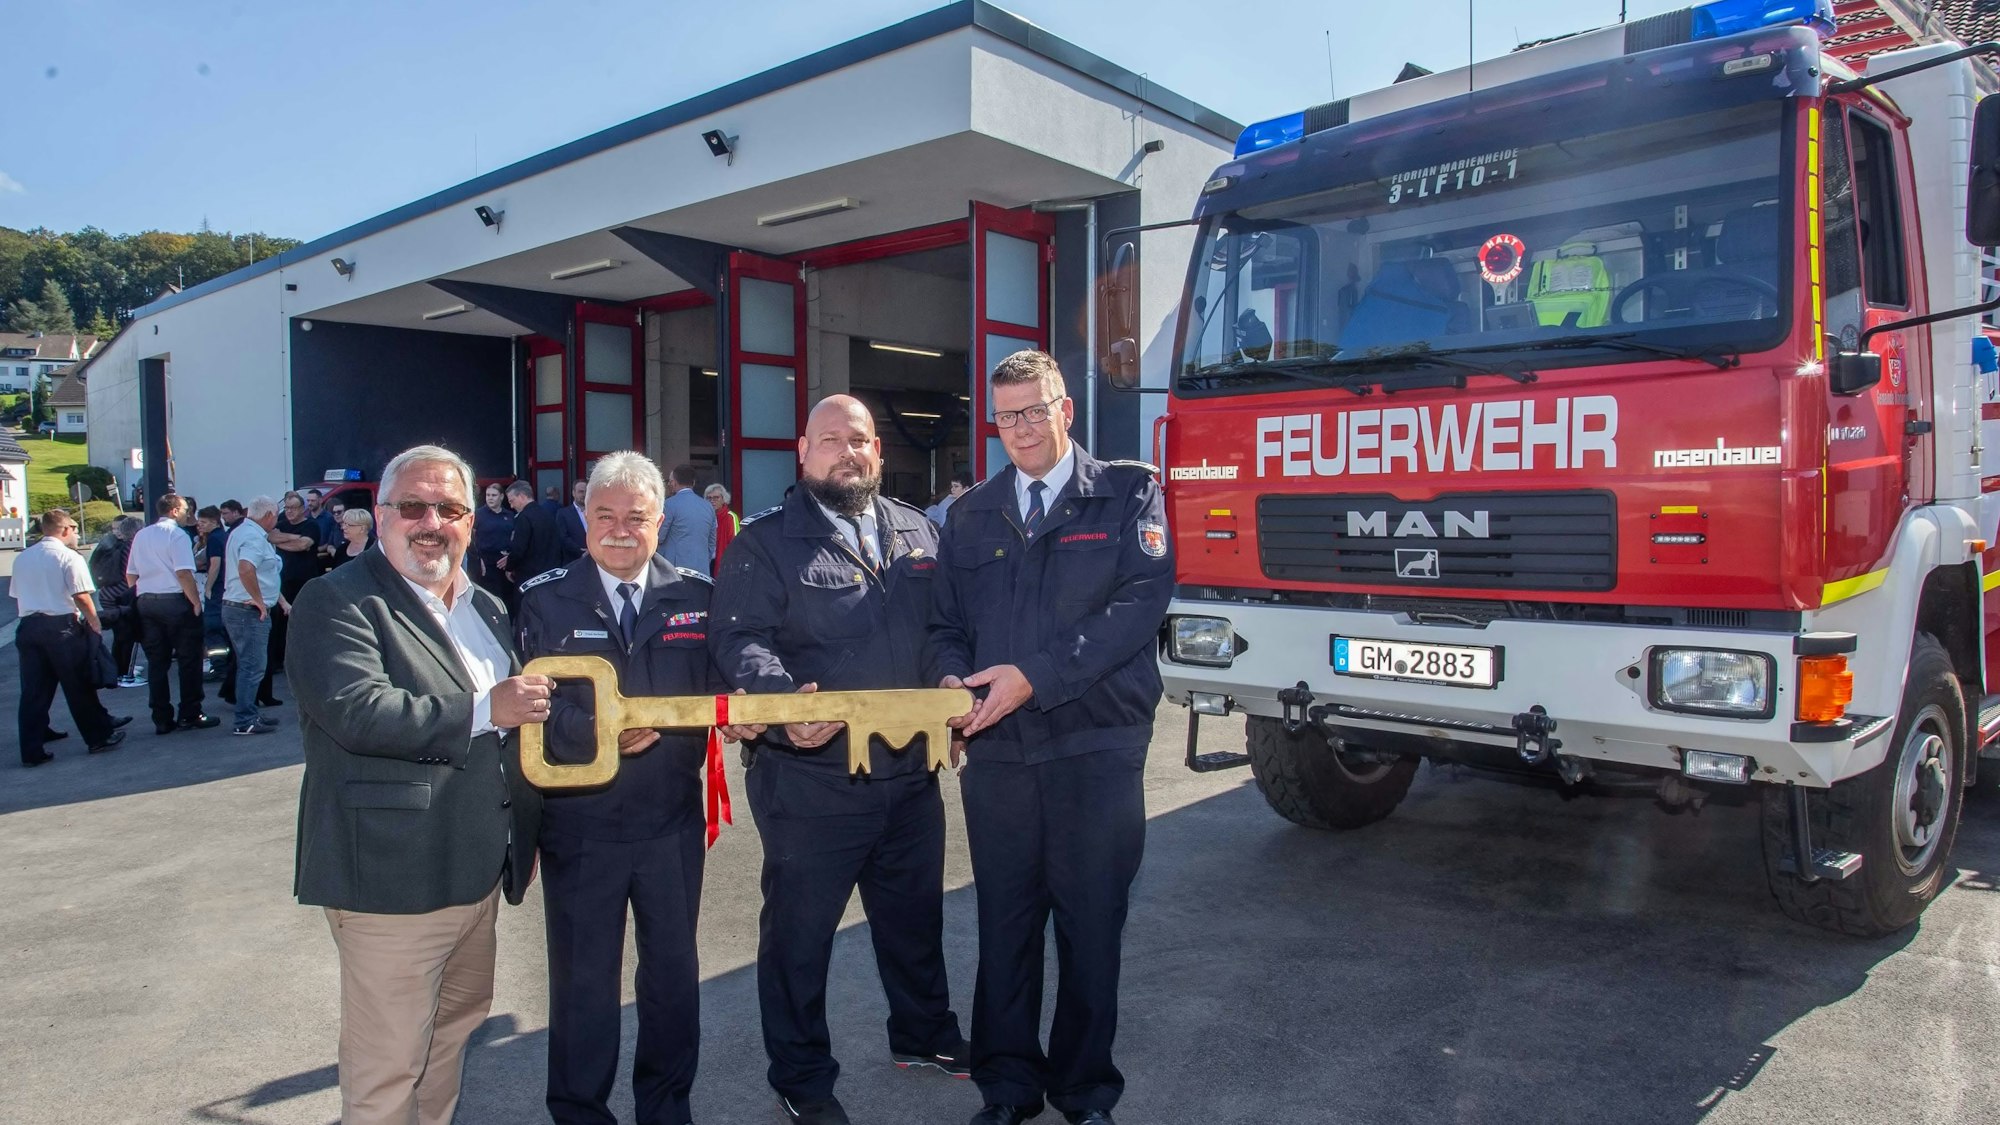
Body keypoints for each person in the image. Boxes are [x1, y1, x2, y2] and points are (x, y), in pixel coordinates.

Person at [928, 351, 1173, 1125]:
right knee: (1005, 923)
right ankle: (1007, 1087)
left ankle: (1085, 1091)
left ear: (1066, 409)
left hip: (1095, 743)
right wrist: (946, 677)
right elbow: (944, 624)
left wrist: (1034, 676)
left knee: (1090, 925)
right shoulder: (971, 512)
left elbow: (1137, 606)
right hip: (999, 749)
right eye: (1007, 416)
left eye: (1036, 410)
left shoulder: (1127, 493)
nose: (1022, 428)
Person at [711, 395, 969, 1125]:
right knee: (801, 937)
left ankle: (923, 1033)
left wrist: (951, 684)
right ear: (803, 452)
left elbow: (945, 628)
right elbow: (739, 639)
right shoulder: (765, 543)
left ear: (877, 451)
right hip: (810, 779)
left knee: (914, 920)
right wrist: (783, 702)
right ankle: (801, 1075)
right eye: (830, 440)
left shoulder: (919, 531)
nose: (846, 452)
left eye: (858, 440)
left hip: (909, 771)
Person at [287, 444, 550, 1125]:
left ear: (470, 522)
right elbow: (357, 710)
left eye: (450, 509)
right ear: (380, 516)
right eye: (413, 506)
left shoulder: (486, 607)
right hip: (392, 879)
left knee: (449, 1038)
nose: (432, 522)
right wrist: (488, 707)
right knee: (387, 1070)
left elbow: (512, 736)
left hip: (476, 873)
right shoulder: (336, 600)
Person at [518, 451, 758, 1125]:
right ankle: (579, 1111)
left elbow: (721, 686)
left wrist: (747, 708)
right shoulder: (545, 598)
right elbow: (526, 704)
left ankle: (666, 1107)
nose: (620, 530)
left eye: (637, 517)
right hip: (580, 827)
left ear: (660, 522)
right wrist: (596, 732)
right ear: (584, 517)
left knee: (672, 980)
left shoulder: (697, 597)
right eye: (605, 515)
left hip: (669, 824)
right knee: (582, 984)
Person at [15, 509, 130, 765]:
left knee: (34, 690)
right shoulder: (69, 557)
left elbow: (18, 594)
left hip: (29, 626)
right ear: (65, 529)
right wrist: (95, 623)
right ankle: (98, 737)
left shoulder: (23, 557)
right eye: (75, 530)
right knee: (78, 685)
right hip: (61, 627)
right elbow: (81, 596)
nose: (77, 535)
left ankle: (32, 749)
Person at [127, 493, 217, 735]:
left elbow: (131, 573)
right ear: (175, 510)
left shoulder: (142, 534)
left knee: (157, 662)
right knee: (189, 659)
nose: (189, 514)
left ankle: (161, 718)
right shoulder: (177, 535)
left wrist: (138, 594)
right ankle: (190, 713)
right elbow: (183, 573)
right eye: (186, 509)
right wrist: (195, 602)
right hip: (174, 601)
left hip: (146, 601)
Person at [220, 496, 285, 736]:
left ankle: (249, 713)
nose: (276, 520)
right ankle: (245, 719)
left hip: (238, 607)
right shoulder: (253, 537)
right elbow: (246, 568)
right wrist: (258, 599)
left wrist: (277, 600)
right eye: (276, 515)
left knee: (249, 664)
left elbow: (259, 573)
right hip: (247, 610)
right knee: (253, 666)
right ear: (268, 515)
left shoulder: (243, 532)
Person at [264, 491, 324, 707]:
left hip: (304, 581)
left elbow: (303, 545)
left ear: (302, 509)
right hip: (281, 582)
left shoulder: (312, 526)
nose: (289, 512)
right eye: (286, 508)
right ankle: (279, 660)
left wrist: (284, 539)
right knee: (279, 624)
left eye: (293, 508)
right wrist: (291, 538)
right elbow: (271, 537)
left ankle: (302, 663)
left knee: (302, 623)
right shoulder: (279, 523)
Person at [90, 515, 144, 686]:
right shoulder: (131, 547)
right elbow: (131, 573)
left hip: (108, 594)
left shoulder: (116, 545)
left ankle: (118, 671)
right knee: (126, 636)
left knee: (120, 636)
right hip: (120, 596)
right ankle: (124, 674)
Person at [659, 464, 717, 578]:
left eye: (670, 482)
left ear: (674, 482)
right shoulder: (708, 507)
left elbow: (659, 537)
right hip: (701, 570)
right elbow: (712, 542)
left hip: (674, 571)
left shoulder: (669, 505)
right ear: (693, 483)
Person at [505, 479, 567, 581]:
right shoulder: (547, 514)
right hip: (551, 574)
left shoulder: (523, 517)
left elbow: (519, 549)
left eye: (512, 501)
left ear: (522, 496)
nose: (511, 506)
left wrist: (509, 567)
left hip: (530, 577)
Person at [472, 481, 517, 610]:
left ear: (501, 497)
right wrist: (478, 558)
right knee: (490, 598)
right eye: (488, 495)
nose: (490, 498)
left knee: (508, 599)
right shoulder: (479, 514)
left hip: (506, 562)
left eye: (494, 495)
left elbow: (515, 537)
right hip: (486, 562)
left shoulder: (510, 515)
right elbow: (471, 538)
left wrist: (511, 557)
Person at [704, 482, 738, 568]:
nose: (712, 501)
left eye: (716, 497)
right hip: (706, 562)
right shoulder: (704, 517)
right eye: (709, 498)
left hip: (723, 562)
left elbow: (735, 543)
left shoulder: (730, 517)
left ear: (723, 499)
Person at [558, 478, 589, 559]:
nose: (584, 494)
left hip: (595, 558)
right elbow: (562, 537)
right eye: (581, 492)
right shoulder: (563, 513)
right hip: (574, 558)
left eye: (586, 491)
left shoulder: (596, 512)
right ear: (573, 493)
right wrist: (580, 551)